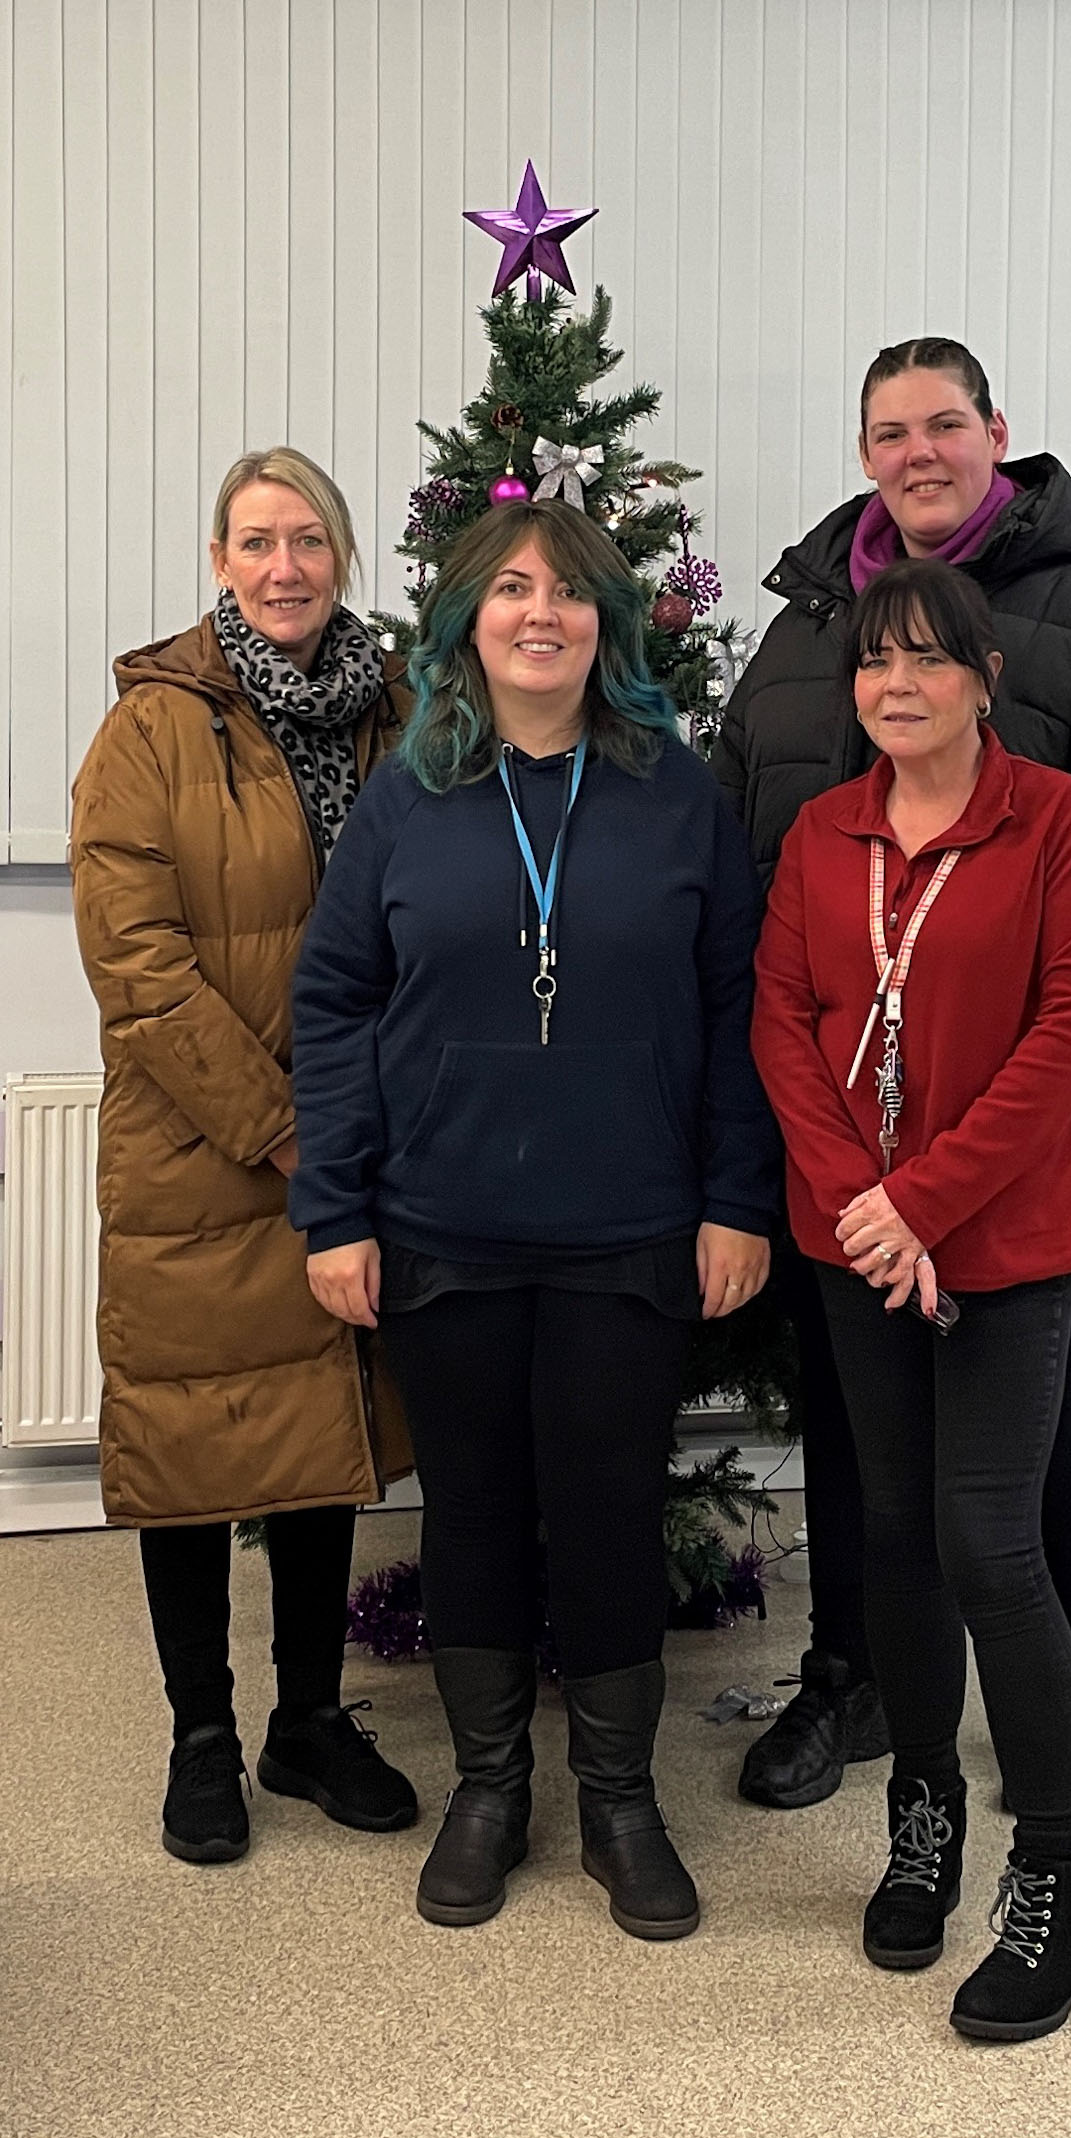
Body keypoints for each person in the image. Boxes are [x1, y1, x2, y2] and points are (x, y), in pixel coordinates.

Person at [710, 338, 1071, 1813]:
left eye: (944, 424)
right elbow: (757, 877)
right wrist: (849, 1179)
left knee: (1050, 1429)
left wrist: (1050, 1127)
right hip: (850, 1163)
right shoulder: (808, 627)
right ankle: (858, 1680)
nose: (917, 452)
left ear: (997, 433)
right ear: (864, 452)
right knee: (875, 1443)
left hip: (1029, 1141)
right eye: (887, 430)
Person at [290, 498, 782, 1942]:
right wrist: (337, 1209)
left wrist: (736, 1198)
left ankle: (621, 1799)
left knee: (612, 1508)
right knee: (479, 1513)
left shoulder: (675, 794)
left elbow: (737, 1009)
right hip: (442, 1222)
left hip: (628, 1227)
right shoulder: (410, 795)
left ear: (608, 626)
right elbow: (333, 1004)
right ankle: (490, 1789)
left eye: (569, 593)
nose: (540, 613)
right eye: (510, 589)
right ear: (468, 621)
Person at [755, 559, 1071, 2040]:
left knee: (990, 1544)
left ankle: (1063, 1885)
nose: (894, 684)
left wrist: (924, 1202)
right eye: (872, 662)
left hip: (1009, 1243)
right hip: (859, 1245)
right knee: (897, 1538)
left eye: (927, 660)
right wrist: (868, 1206)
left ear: (984, 680)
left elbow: (1070, 1034)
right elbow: (786, 1023)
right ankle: (923, 1812)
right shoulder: (818, 833)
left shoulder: (1060, 825)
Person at [70, 446, 422, 1867]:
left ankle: (309, 1718)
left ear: (341, 557)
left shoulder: (393, 713)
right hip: (205, 1152)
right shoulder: (150, 732)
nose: (285, 567)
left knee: (317, 1427)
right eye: (257, 542)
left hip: (356, 1139)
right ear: (218, 560)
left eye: (310, 541)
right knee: (194, 1439)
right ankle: (201, 1735)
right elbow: (138, 969)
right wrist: (283, 1128)